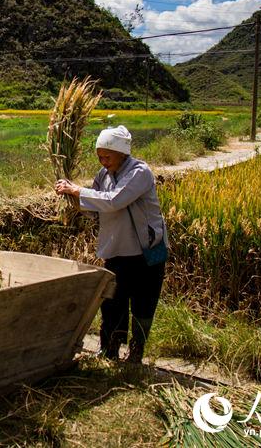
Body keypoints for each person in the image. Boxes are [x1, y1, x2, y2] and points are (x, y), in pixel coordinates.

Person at [55, 125, 167, 364]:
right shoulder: (103, 175)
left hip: (146, 250)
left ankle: (136, 352)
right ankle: (110, 350)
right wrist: (72, 199)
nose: (103, 162)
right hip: (116, 249)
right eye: (100, 157)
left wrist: (77, 190)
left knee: (143, 303)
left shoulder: (139, 172)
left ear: (122, 154)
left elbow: (114, 200)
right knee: (112, 302)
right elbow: (95, 208)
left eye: (107, 157)